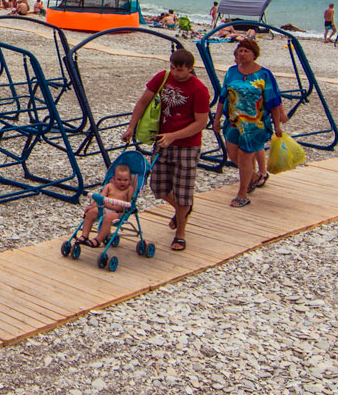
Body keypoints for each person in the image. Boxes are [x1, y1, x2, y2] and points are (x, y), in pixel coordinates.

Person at [120, 48, 210, 251]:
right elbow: (143, 101)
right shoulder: (163, 78)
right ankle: (182, 210)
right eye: (173, 68)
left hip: (187, 145)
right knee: (158, 187)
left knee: (183, 190)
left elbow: (201, 122)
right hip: (162, 141)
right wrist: (131, 127)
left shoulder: (199, 89)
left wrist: (174, 136)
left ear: (190, 69)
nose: (176, 73)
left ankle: (180, 233)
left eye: (180, 70)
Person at [221, 37, 286, 207]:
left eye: (246, 51)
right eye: (240, 51)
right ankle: (255, 176)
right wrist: (216, 118)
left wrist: (277, 124)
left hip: (255, 125)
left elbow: (273, 100)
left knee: (245, 156)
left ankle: (242, 194)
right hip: (233, 122)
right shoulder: (231, 71)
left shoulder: (264, 74)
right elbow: (223, 96)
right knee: (233, 155)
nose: (242, 54)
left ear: (254, 54)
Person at [75, 158, 137, 250]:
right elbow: (100, 199)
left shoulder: (129, 189)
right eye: (119, 179)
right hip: (103, 208)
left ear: (130, 180)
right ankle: (84, 236)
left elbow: (130, 203)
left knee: (107, 218)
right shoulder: (109, 186)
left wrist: (124, 212)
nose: (122, 182)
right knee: (91, 213)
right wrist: (92, 206)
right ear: (113, 179)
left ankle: (98, 239)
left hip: (117, 212)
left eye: (125, 180)